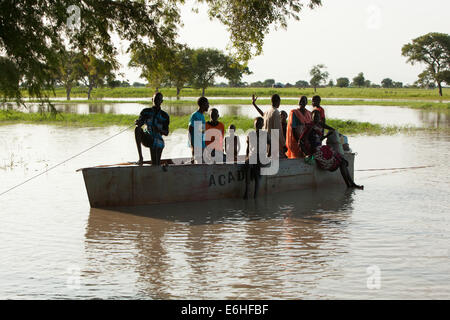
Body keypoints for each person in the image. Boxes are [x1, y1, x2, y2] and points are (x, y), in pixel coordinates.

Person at [300, 110, 363, 189]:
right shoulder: (309, 126)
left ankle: (351, 184)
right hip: (316, 151)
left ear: (320, 118)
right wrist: (306, 153)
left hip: (321, 149)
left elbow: (330, 131)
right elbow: (301, 141)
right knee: (340, 162)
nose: (316, 118)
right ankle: (350, 185)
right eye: (315, 116)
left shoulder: (319, 125)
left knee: (342, 161)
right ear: (311, 117)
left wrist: (326, 136)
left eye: (318, 116)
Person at [134, 92, 169, 166]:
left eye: (159, 99)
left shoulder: (165, 115)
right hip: (148, 138)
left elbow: (166, 132)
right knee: (137, 129)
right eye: (155, 99)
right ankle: (140, 157)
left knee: (155, 165)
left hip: (158, 141)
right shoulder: (146, 111)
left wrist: (159, 130)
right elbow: (141, 123)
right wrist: (138, 122)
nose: (157, 101)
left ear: (161, 101)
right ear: (152, 99)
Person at [251, 94, 287, 158]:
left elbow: (262, 114)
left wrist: (254, 104)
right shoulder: (276, 112)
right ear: (278, 101)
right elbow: (278, 131)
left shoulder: (268, 111)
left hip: (267, 144)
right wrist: (283, 144)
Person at [244, 117, 265, 199]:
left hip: (260, 156)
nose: (258, 125)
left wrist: (268, 155)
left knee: (257, 176)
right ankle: (247, 190)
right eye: (256, 124)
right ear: (254, 124)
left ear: (263, 125)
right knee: (247, 165)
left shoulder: (265, 134)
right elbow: (248, 147)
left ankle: (255, 196)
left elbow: (270, 143)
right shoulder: (250, 134)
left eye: (260, 124)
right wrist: (246, 156)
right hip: (252, 156)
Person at [188, 96, 209, 163]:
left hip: (201, 144)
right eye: (207, 104)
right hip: (197, 145)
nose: (208, 106)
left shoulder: (201, 115)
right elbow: (191, 130)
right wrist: (193, 145)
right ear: (203, 104)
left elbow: (201, 131)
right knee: (199, 162)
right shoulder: (196, 115)